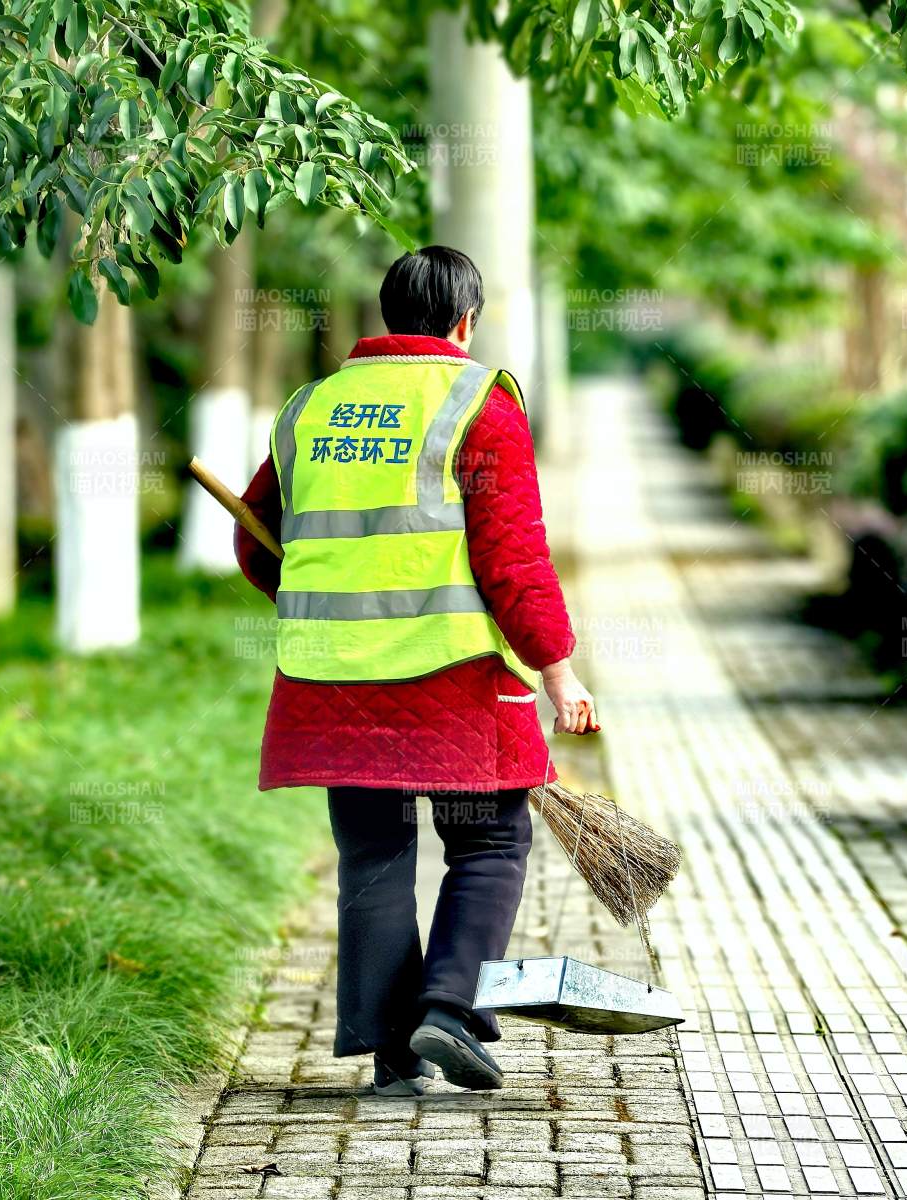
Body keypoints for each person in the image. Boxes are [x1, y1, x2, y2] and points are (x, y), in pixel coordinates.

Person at [234, 245, 598, 1096]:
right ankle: (448, 1010)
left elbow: (258, 544)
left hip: (330, 678)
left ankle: (392, 1055)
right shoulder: (478, 401)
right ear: (466, 321)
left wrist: (332, 595)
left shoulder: (311, 406)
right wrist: (558, 672)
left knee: (373, 855)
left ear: (389, 313)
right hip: (452, 676)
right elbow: (513, 561)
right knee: (490, 841)